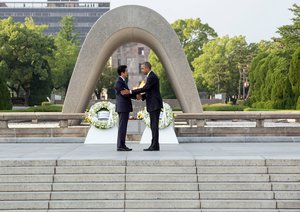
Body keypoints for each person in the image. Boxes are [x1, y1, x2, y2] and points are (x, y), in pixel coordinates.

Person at [121, 62, 163, 151]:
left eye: (143, 68)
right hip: (153, 104)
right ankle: (154, 145)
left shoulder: (151, 76)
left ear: (147, 68)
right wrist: (141, 97)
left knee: (154, 126)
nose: (142, 70)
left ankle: (155, 146)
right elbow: (149, 91)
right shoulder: (150, 76)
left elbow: (146, 88)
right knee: (153, 125)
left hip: (154, 104)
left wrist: (131, 92)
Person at [114, 65, 140, 151]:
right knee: (122, 127)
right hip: (123, 108)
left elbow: (127, 93)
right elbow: (125, 93)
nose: (127, 72)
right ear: (122, 72)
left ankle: (122, 145)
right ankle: (120, 146)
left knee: (123, 127)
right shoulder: (119, 82)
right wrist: (136, 95)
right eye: (126, 71)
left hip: (124, 107)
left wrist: (135, 96)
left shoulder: (123, 81)